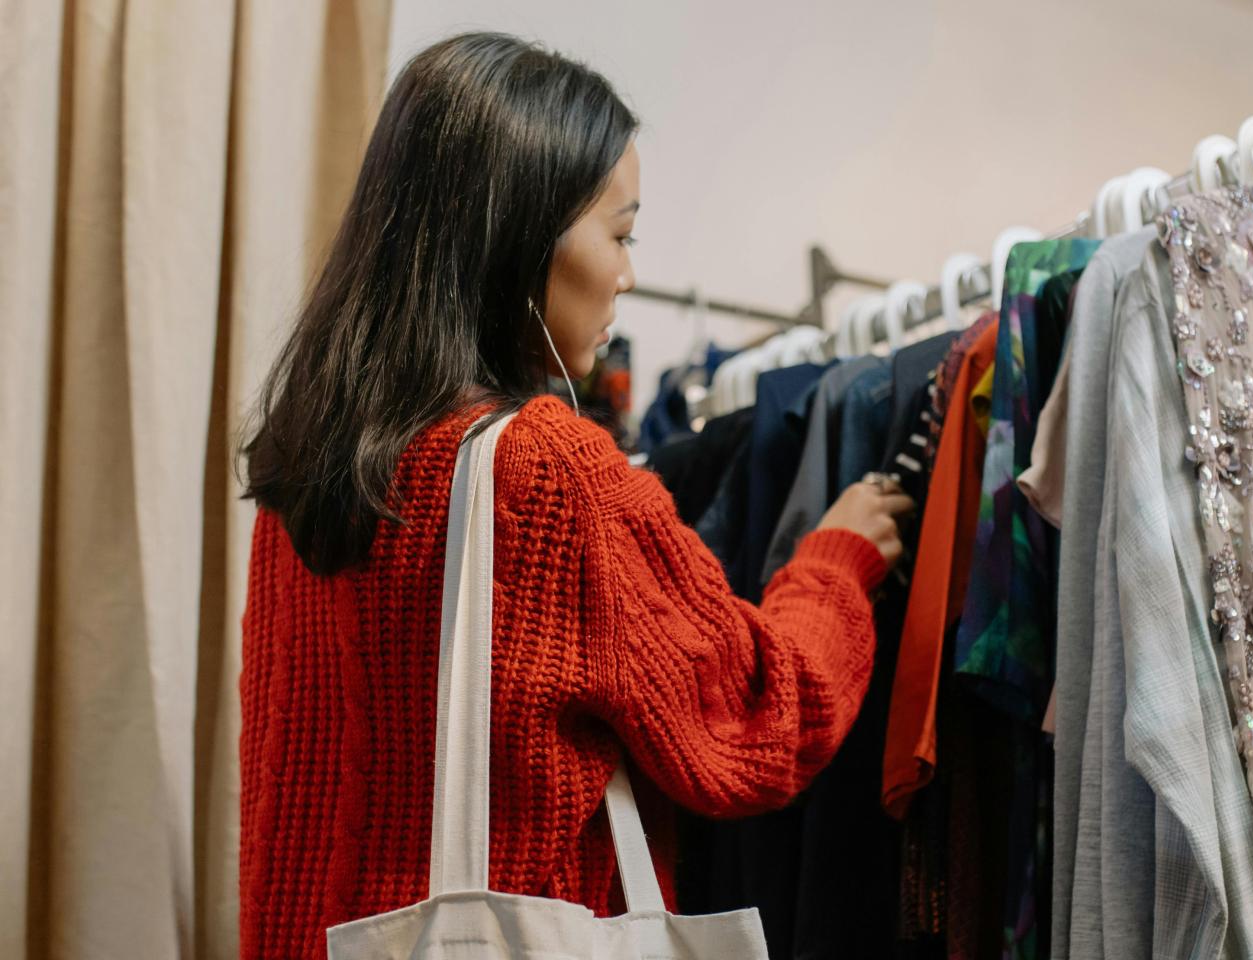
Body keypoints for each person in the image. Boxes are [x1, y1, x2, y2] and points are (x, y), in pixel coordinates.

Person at [237, 32, 912, 960]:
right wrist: (836, 565)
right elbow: (758, 719)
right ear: (519, 236)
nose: (629, 274)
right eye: (621, 234)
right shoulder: (547, 473)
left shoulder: (303, 471)